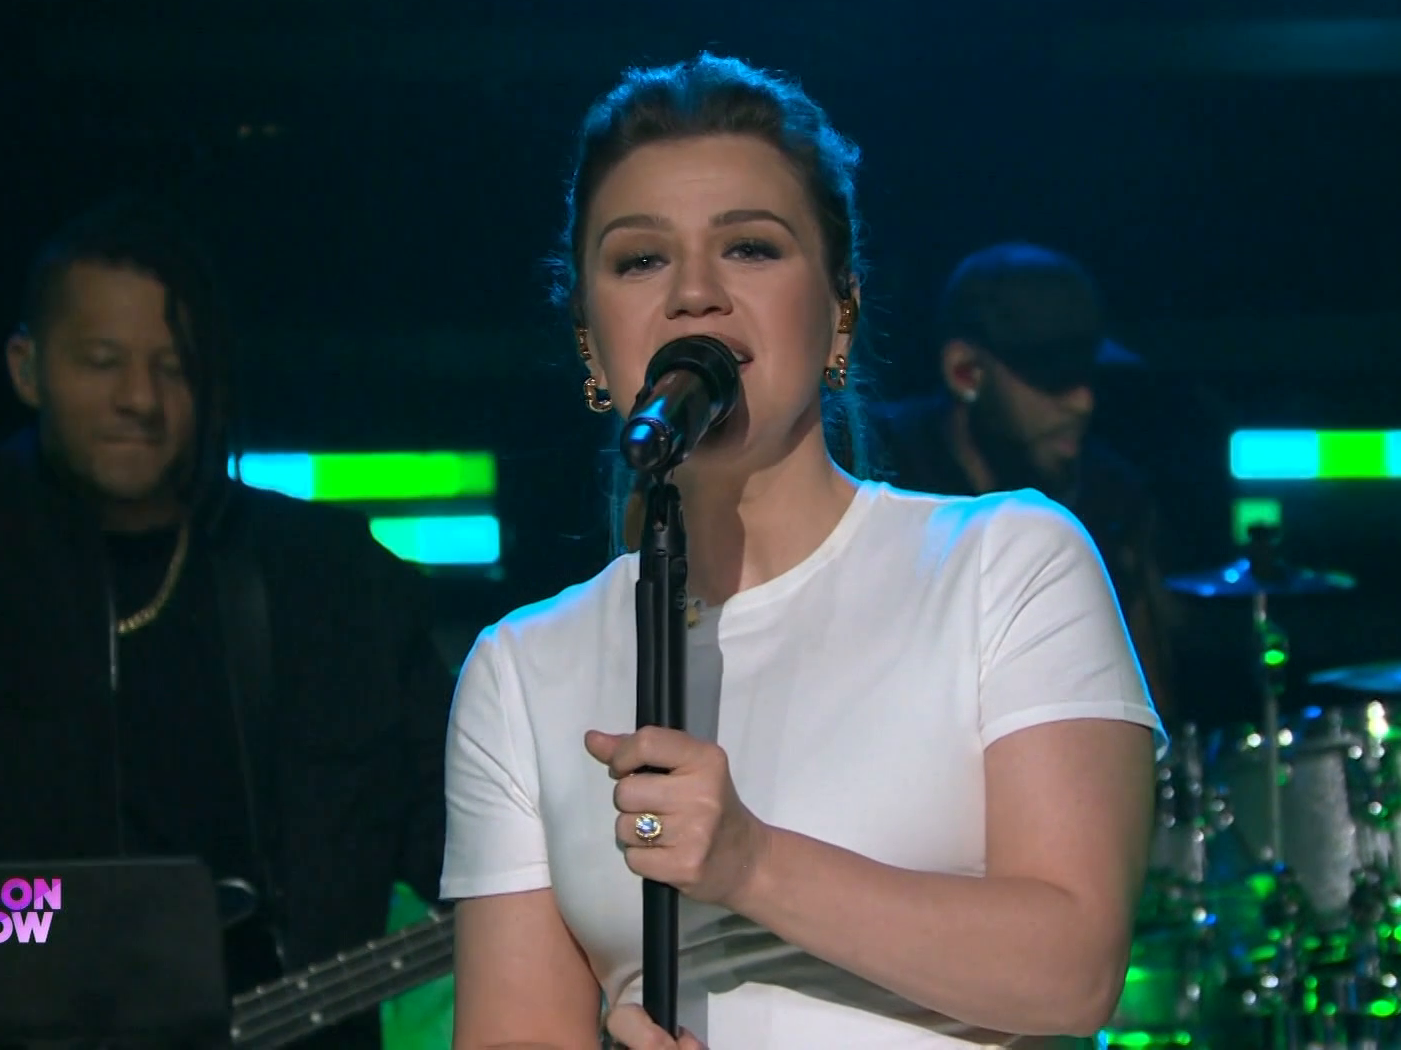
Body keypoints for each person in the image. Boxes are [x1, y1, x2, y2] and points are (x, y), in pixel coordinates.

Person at [440, 54, 1165, 1050]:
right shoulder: (523, 670)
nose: (695, 293)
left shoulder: (1005, 564)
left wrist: (752, 864)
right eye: (641, 260)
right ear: (590, 343)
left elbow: (1072, 971)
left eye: (749, 248)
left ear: (840, 315)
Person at [0, 196, 456, 1050]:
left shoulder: (336, 583)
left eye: (173, 367)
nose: (139, 399)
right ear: (27, 368)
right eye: (101, 362)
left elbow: (461, 836)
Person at [875, 245, 1176, 719]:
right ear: (965, 371)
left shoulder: (1110, 494)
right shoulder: (880, 468)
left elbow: (1150, 705)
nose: (1083, 402)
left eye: (1088, 374)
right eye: (1053, 377)